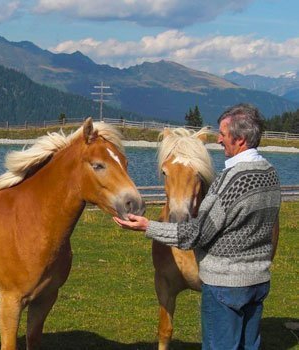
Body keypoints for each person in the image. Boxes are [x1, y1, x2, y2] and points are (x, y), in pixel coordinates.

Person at [114, 103, 281, 349]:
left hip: (226, 286)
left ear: (241, 139)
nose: (219, 139)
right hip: (257, 282)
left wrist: (147, 226)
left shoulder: (232, 181)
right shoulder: (270, 173)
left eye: (223, 134)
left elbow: (198, 233)